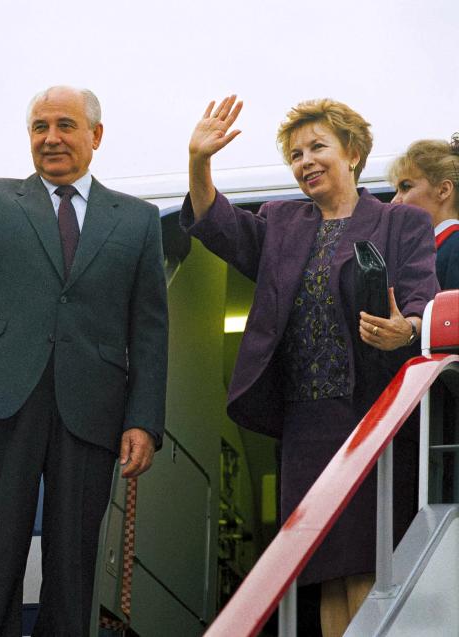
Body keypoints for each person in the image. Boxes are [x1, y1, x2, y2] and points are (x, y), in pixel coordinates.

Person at [0, 40, 168, 636]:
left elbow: (149, 330)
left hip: (92, 406)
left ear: (96, 135)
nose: (51, 137)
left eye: (65, 125)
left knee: (74, 557)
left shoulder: (137, 220)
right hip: (4, 399)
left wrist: (144, 419)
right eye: (39, 126)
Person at [182, 96, 438, 637]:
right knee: (321, 574)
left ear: (354, 152)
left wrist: (405, 329)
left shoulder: (402, 222)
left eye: (318, 147)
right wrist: (199, 162)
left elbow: (423, 300)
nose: (305, 162)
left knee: (370, 569)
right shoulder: (279, 223)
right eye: (296, 154)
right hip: (305, 427)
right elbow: (215, 222)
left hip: (374, 421)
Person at [388, 135, 459, 289]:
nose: (394, 201)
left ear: (443, 190)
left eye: (405, 187)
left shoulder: (454, 247)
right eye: (396, 190)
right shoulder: (424, 249)